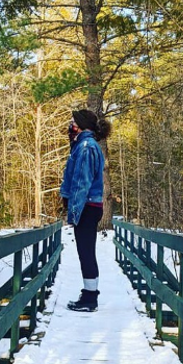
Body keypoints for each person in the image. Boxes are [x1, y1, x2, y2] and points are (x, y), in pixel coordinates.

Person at [59, 109, 110, 312]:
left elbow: (82, 182)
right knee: (85, 251)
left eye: (73, 122)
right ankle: (89, 294)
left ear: (81, 125)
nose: (70, 125)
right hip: (89, 206)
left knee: (86, 252)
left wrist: (73, 212)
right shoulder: (83, 145)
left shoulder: (86, 147)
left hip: (87, 206)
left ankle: (90, 299)